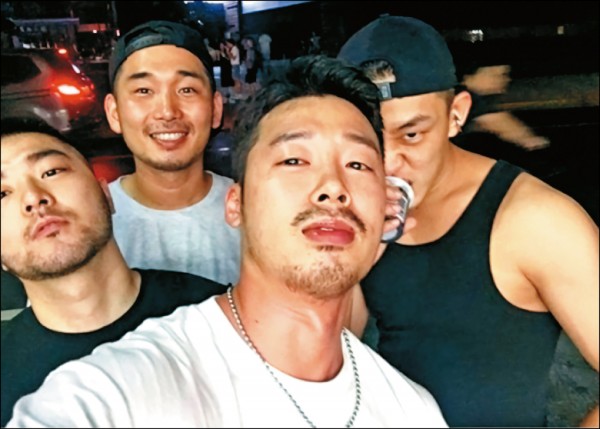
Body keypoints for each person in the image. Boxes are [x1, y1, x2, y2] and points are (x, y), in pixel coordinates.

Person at [7, 55, 447, 428]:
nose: (333, 187)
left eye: (358, 164)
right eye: (295, 160)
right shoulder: (121, 390)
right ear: (235, 204)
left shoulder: (412, 410)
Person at [338, 15, 599, 427]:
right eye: (366, 139)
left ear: (456, 114)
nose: (387, 162)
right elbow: (338, 348)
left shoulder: (536, 221)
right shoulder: (354, 202)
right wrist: (354, 260)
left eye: (411, 134)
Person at [0, 119, 227, 427]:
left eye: (51, 172)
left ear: (106, 195)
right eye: (1, 194)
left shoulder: (219, 315)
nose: (33, 198)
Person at [103, 21, 240, 286]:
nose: (167, 111)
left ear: (215, 109)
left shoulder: (255, 213)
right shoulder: (89, 224)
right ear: (114, 112)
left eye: (186, 90)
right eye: (144, 91)